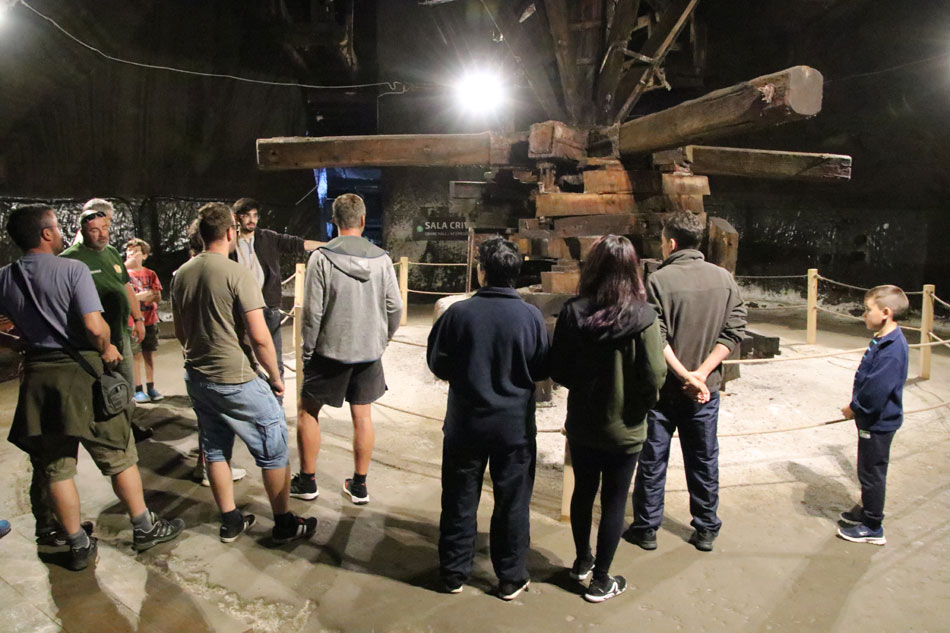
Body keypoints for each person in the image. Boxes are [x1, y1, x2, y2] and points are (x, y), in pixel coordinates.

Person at [0, 204, 184, 570]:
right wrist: (108, 347)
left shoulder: (5, 277)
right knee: (119, 454)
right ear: (46, 234)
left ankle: (78, 544)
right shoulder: (73, 269)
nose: (61, 233)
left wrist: (20, 343)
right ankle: (144, 527)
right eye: (56, 227)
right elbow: (94, 326)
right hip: (83, 373)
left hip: (39, 379)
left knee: (57, 467)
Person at [171, 202, 316, 544]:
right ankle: (284, 523)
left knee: (215, 448)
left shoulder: (181, 274)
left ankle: (231, 520)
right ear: (229, 232)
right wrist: (276, 377)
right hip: (234, 378)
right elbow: (260, 337)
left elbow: (180, 331)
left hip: (198, 376)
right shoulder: (237, 274)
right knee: (274, 444)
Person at [426, 237, 549, 600]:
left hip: (466, 424)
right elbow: (542, 367)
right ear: (515, 274)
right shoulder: (531, 317)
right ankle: (510, 577)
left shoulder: (458, 314)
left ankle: (453, 573)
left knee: (459, 499)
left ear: (482, 271)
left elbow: (438, 363)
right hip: (514, 429)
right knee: (513, 503)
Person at [550, 235, 667, 603]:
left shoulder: (573, 312)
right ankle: (602, 579)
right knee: (615, 501)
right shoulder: (645, 317)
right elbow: (655, 374)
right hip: (626, 427)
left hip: (584, 423)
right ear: (632, 270)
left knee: (583, 492)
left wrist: (584, 389)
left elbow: (559, 368)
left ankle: (581, 560)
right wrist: (639, 407)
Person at [627, 211, 746, 553]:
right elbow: (735, 329)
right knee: (704, 458)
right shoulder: (724, 279)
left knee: (653, 460)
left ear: (671, 243)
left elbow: (656, 336)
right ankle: (706, 528)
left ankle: (646, 528)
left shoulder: (658, 281)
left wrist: (683, 375)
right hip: (704, 392)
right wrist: (701, 375)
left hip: (663, 389)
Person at [293, 193, 402, 504]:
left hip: (329, 352)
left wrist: (308, 352)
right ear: (363, 220)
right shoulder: (382, 259)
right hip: (368, 352)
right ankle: (359, 485)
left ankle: (307, 482)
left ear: (334, 222)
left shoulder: (322, 258)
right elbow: (395, 307)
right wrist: (383, 339)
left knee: (308, 411)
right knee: (363, 416)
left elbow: (312, 313)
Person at [61, 199, 153, 443]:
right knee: (102, 387)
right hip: (94, 340)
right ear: (82, 230)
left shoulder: (111, 252)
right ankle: (107, 433)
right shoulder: (70, 259)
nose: (102, 234)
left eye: (105, 228)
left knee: (126, 383)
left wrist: (138, 319)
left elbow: (126, 287)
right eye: (95, 230)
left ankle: (128, 426)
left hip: (121, 332)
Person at [837, 285, 909, 545]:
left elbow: (877, 390)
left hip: (878, 422)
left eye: (868, 310)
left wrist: (854, 408)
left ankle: (873, 525)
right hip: (872, 420)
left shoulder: (892, 349)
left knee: (872, 472)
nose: (865, 315)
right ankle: (867, 509)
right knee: (866, 468)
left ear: (886, 312)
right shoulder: (883, 339)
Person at [230, 197, 322, 378]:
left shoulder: (267, 237)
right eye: (247, 215)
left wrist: (330, 246)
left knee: (274, 357)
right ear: (236, 217)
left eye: (255, 215)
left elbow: (298, 244)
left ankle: (277, 393)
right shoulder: (229, 242)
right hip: (240, 308)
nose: (252, 220)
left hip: (268, 306)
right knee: (245, 358)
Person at [124, 238, 164, 403]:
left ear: (144, 255)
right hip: (132, 322)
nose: (131, 254)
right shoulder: (124, 275)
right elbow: (126, 297)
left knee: (149, 354)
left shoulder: (150, 274)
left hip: (150, 320)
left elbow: (157, 296)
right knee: (136, 355)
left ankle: (151, 386)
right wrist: (145, 295)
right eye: (129, 251)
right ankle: (138, 389)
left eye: (136, 251)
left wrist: (137, 296)